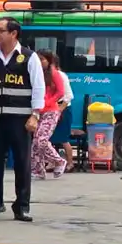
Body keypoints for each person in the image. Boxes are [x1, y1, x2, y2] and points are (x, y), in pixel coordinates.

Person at [0, 17, 46, 222]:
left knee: (21, 163)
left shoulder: (29, 57)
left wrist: (35, 115)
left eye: (0, 30)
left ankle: (22, 207)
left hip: (20, 120)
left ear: (13, 34)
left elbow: (38, 87)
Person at [30, 49, 68, 180]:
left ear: (49, 61)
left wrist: (48, 102)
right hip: (37, 112)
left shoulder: (55, 74)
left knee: (41, 140)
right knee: (35, 142)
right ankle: (38, 170)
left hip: (51, 112)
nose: (40, 62)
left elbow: (61, 92)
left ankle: (59, 161)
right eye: (38, 59)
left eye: (43, 60)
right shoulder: (35, 73)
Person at [49, 52, 76, 171]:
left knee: (64, 139)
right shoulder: (48, 75)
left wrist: (59, 110)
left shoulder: (60, 75)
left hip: (63, 110)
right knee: (50, 137)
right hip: (54, 109)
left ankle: (70, 163)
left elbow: (69, 95)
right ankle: (53, 162)